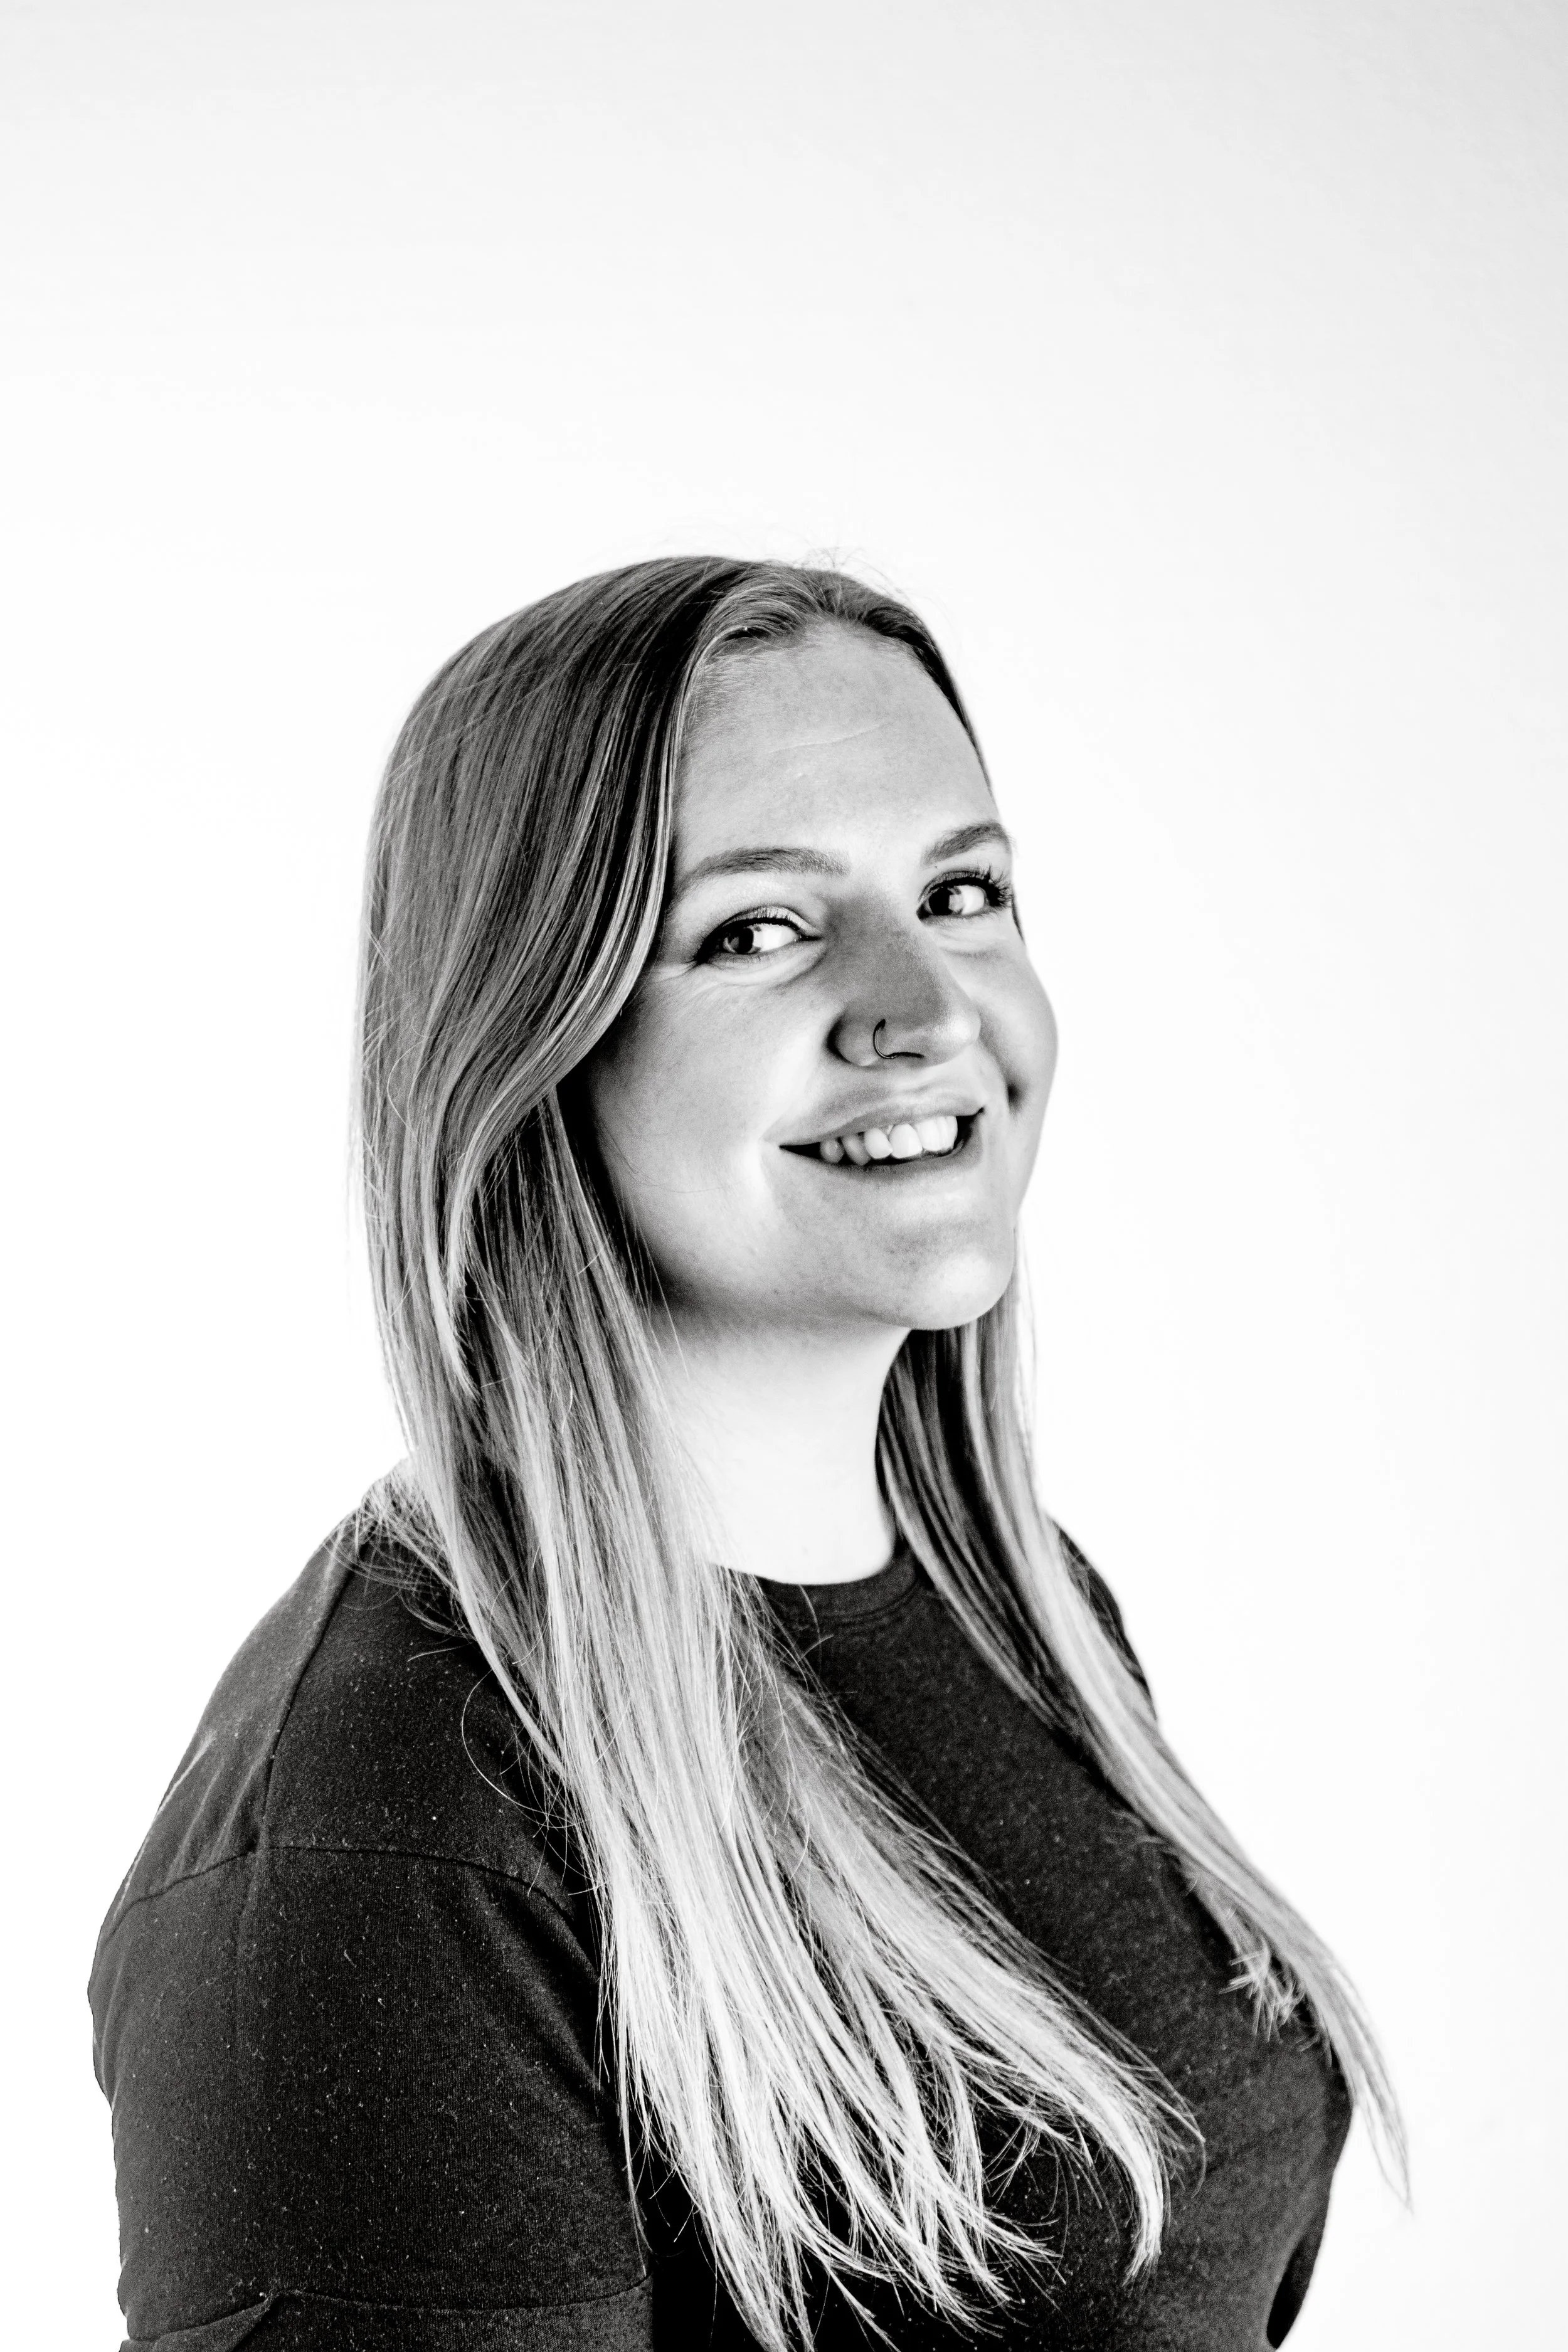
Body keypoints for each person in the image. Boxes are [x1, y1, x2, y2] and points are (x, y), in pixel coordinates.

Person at [90, 558, 1402, 2351]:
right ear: (530, 1036)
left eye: (961, 891)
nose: (922, 1004)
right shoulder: (392, 1825)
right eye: (760, 929)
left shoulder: (1023, 1612)